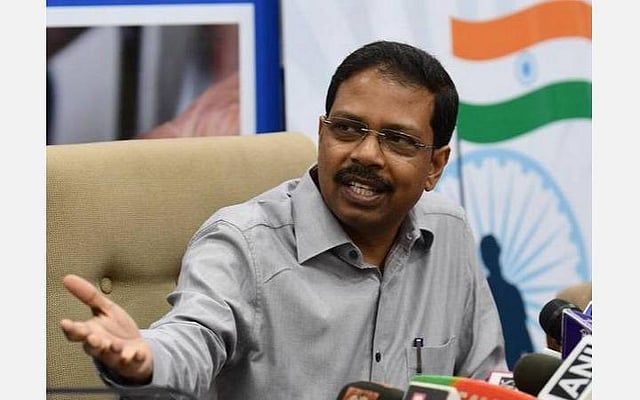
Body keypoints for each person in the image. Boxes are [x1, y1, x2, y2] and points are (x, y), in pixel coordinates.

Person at [60, 40, 507, 399]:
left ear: (435, 166)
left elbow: (485, 379)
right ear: (322, 132)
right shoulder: (241, 243)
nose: (366, 154)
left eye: (397, 140)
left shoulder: (448, 231)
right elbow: (193, 337)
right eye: (347, 128)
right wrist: (145, 356)